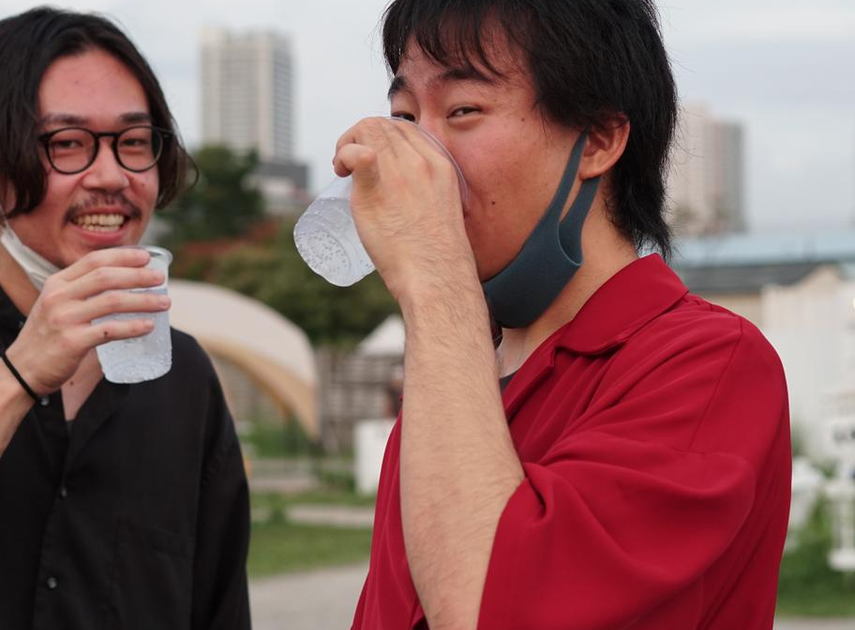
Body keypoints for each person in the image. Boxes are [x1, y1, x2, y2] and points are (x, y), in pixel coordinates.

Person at [338, 1, 791, 628]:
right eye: (405, 118)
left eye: (462, 110)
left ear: (598, 141)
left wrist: (434, 279)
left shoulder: (709, 363)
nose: (421, 157)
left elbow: (488, 610)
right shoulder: (453, 374)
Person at [0, 8, 250, 629]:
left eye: (133, 142)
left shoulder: (184, 378)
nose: (112, 176)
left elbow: (219, 607)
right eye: (67, 143)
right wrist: (20, 373)